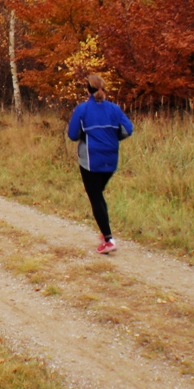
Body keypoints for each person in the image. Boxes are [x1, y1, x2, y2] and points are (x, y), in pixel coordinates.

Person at [66, 74, 133, 254]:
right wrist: (113, 137)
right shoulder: (114, 109)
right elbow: (129, 129)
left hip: (90, 160)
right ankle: (105, 234)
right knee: (98, 195)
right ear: (103, 88)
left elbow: (72, 135)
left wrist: (85, 135)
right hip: (111, 159)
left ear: (87, 90)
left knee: (95, 197)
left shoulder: (82, 110)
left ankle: (109, 239)